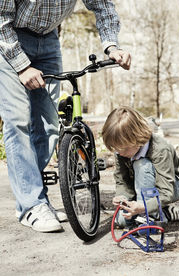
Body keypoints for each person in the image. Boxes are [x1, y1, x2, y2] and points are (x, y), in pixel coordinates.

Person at [0, 1, 131, 233]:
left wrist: (112, 46)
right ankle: (32, 205)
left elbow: (102, 6)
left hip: (49, 39)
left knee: (49, 125)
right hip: (9, 38)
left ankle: (37, 198)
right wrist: (22, 67)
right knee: (18, 121)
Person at [102, 106, 179, 228]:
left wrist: (143, 207)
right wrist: (122, 196)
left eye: (124, 148)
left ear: (136, 138)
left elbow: (166, 192)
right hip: (143, 183)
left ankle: (150, 216)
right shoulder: (121, 150)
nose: (120, 153)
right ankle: (165, 212)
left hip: (173, 185)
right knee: (123, 221)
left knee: (142, 165)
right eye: (116, 149)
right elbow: (122, 181)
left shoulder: (160, 149)